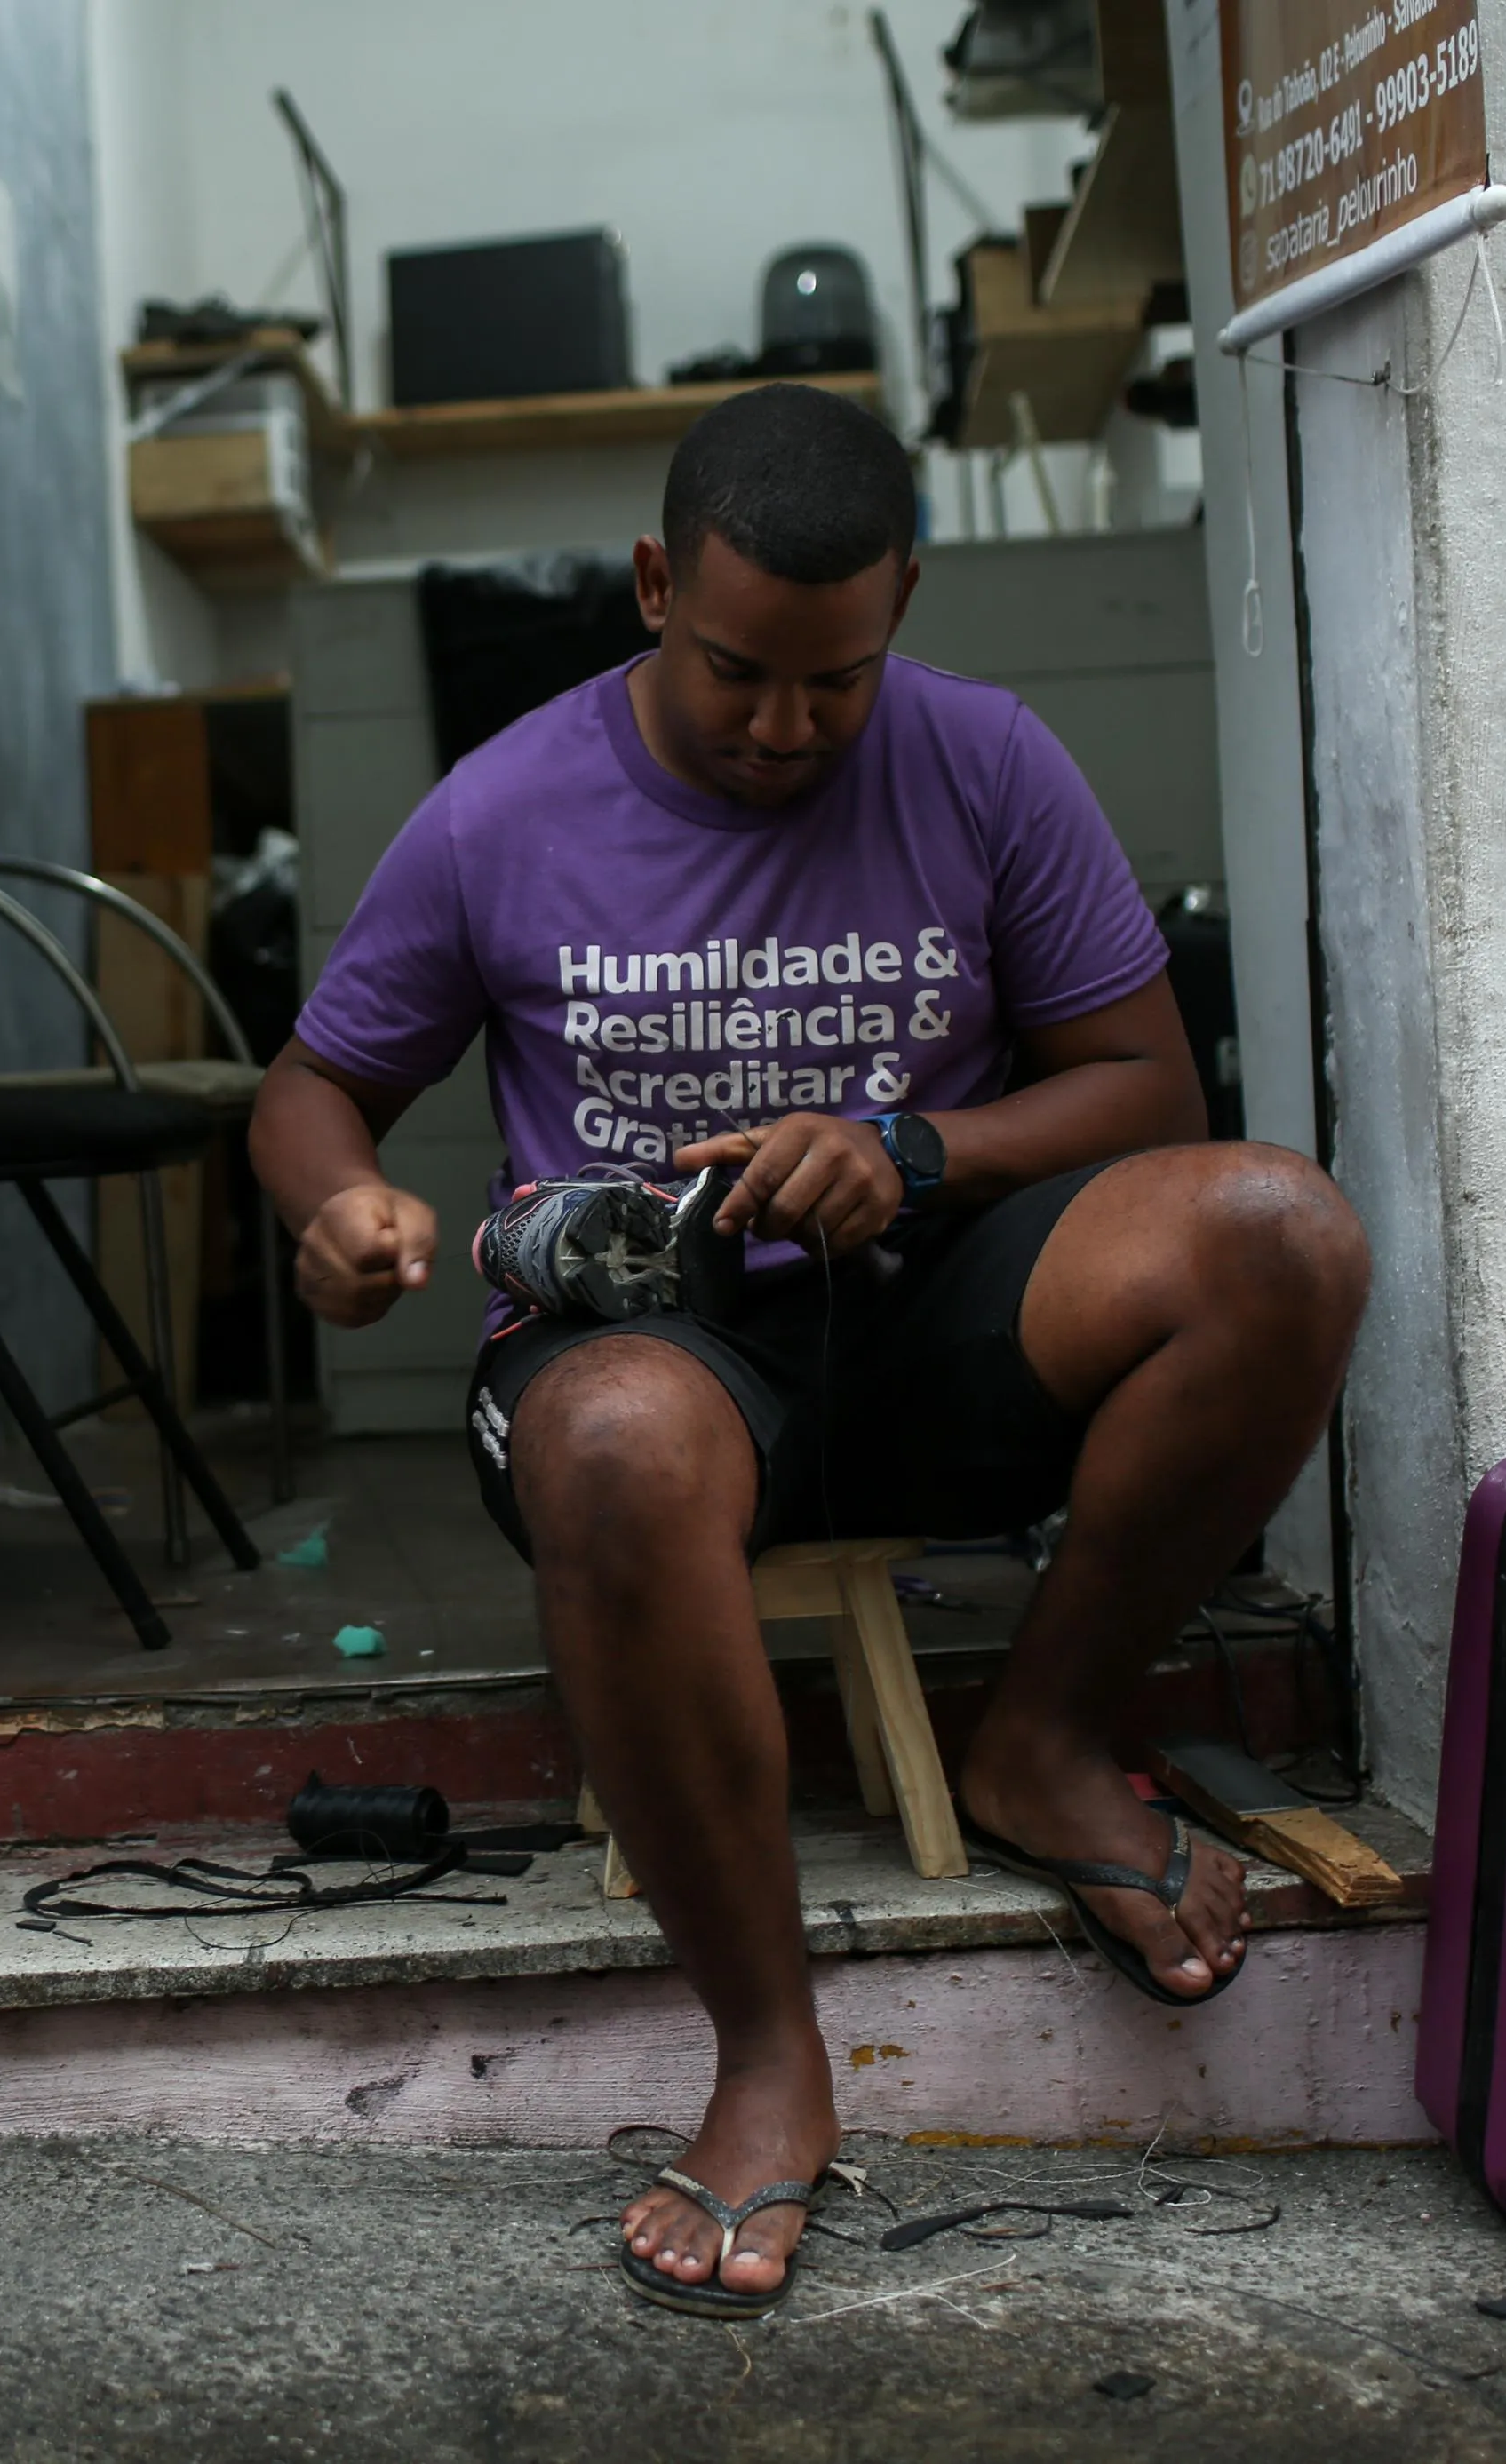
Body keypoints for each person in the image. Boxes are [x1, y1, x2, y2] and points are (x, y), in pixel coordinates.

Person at [247, 384, 1369, 2317]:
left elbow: (1142, 1087)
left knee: (1276, 1232)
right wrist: (339, 1212)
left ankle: (1038, 1733)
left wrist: (915, 1146)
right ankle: (766, 2051)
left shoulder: (985, 764)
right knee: (611, 1439)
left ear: (904, 605)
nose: (783, 728)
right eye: (736, 670)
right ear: (656, 582)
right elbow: (313, 1084)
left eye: (835, 682)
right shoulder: (508, 802)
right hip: (656, 1352)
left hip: (932, 1323)